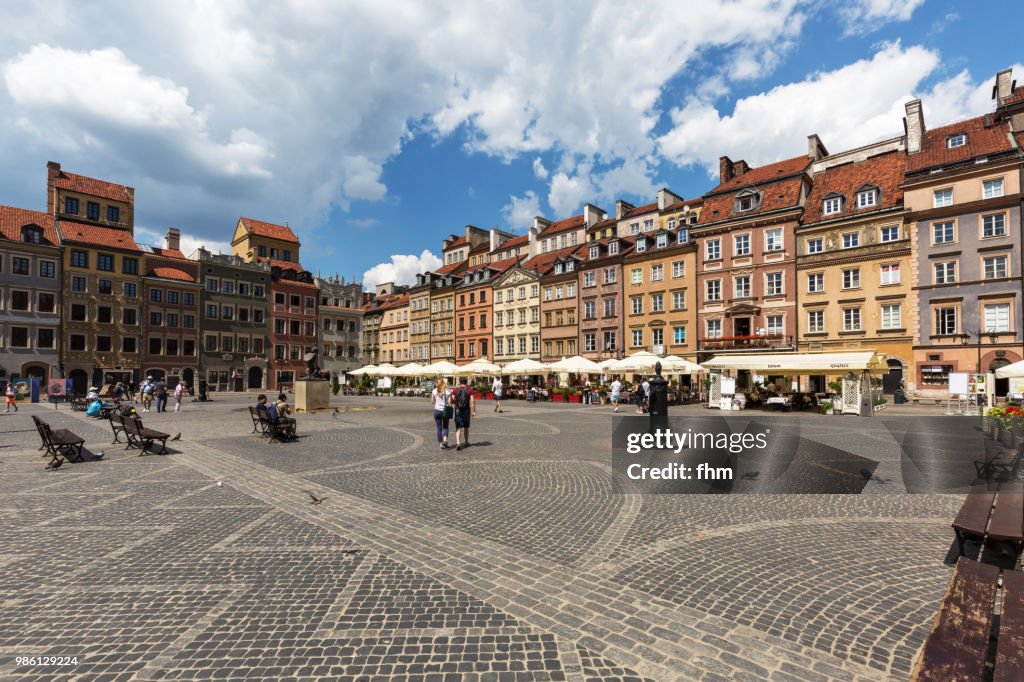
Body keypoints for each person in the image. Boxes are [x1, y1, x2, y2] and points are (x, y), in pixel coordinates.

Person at [452, 377, 476, 451]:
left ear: (459, 382)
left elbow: (452, 400)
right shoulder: (470, 390)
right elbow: (472, 401)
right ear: (466, 382)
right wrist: (473, 411)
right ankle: (466, 441)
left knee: (458, 427)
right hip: (466, 409)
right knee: (466, 426)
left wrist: (455, 404)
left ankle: (458, 443)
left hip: (458, 409)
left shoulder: (455, 390)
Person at [431, 378, 452, 449]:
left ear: (437, 384)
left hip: (437, 411)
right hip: (445, 411)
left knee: (439, 428)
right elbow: (449, 403)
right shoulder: (447, 391)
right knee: (445, 426)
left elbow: (432, 402)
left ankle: (440, 444)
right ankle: (445, 440)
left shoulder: (434, 391)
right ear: (444, 383)